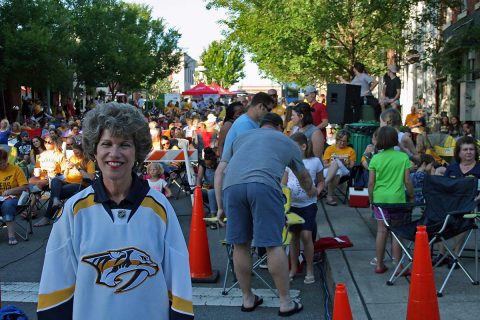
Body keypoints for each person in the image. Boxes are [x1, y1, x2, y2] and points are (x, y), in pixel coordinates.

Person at [37, 102, 193, 319]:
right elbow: (56, 284)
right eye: (106, 143)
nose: (114, 153)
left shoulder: (160, 209)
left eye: (124, 144)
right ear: (94, 149)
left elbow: (178, 283)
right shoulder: (75, 210)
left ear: (137, 150)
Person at [215, 113, 314, 317]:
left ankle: (247, 298)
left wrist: (219, 206)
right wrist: (311, 191)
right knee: (272, 244)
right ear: (279, 126)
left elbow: (221, 169)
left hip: (231, 187)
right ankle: (285, 302)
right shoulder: (287, 142)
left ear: (261, 126)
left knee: (240, 244)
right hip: (264, 185)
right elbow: (303, 176)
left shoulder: (241, 138)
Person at [368, 126, 414, 274]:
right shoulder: (403, 157)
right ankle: (399, 266)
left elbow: (371, 183)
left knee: (381, 231)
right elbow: (407, 180)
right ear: (395, 140)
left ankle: (379, 264)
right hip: (397, 199)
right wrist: (412, 195)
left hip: (380, 198)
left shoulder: (375, 158)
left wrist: (371, 199)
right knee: (397, 232)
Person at [282, 133, 324, 284]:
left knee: (306, 236)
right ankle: (293, 267)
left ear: (303, 146)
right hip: (292, 204)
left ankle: (310, 269)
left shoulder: (315, 162)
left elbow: (320, 181)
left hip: (308, 204)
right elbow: (284, 182)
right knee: (293, 237)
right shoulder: (288, 162)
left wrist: (318, 191)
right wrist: (284, 191)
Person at [34, 143, 95, 227]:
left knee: (56, 192)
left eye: (77, 153)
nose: (75, 155)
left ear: (83, 152)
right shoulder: (72, 158)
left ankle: (47, 217)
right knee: (55, 180)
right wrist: (66, 169)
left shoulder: (89, 162)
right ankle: (55, 201)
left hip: (80, 185)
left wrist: (78, 168)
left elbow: (91, 178)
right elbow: (65, 175)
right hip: (67, 181)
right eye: (74, 152)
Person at [220, 92, 274, 158]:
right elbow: (248, 152)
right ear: (260, 106)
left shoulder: (252, 122)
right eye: (269, 110)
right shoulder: (244, 123)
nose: (270, 113)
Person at [0, 149, 29, 245]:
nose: (0, 166)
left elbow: (25, 186)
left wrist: (10, 191)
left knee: (7, 204)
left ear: (6, 159)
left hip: (15, 199)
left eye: (1, 163)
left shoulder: (16, 169)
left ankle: (11, 235)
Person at [322, 130, 356, 206]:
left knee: (337, 162)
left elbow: (351, 166)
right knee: (337, 172)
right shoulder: (330, 149)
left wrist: (344, 163)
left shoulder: (350, 150)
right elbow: (325, 165)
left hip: (345, 170)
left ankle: (324, 184)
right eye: (340, 140)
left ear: (347, 141)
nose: (342, 143)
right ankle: (329, 196)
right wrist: (334, 164)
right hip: (330, 170)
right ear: (337, 139)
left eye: (344, 141)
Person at [196, 147, 219, 228]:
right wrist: (198, 187)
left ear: (213, 161)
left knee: (211, 192)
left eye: (210, 165)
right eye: (207, 165)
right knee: (199, 192)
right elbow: (199, 177)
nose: (208, 167)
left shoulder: (218, 165)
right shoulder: (203, 165)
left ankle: (214, 217)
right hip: (207, 189)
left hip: (219, 190)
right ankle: (199, 217)